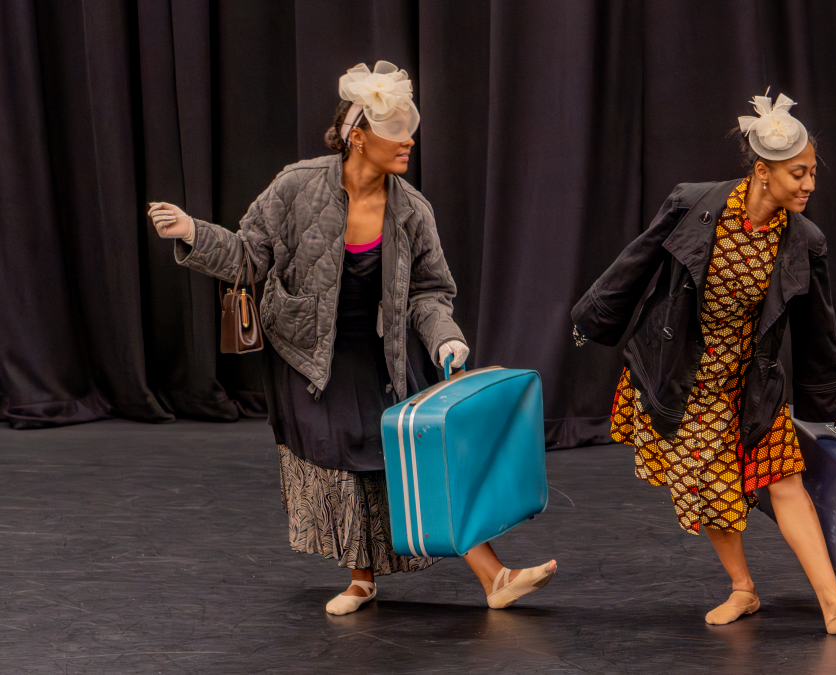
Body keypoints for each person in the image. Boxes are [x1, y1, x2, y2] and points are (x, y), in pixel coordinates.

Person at [148, 61, 555, 616]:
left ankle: (495, 576)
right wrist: (192, 232)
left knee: (411, 456)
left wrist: (445, 340)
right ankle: (362, 579)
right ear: (357, 136)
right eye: (394, 131)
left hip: (383, 353)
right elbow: (248, 255)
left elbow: (430, 293)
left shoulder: (411, 209)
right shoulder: (297, 186)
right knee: (342, 464)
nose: (408, 141)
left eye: (409, 129)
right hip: (309, 355)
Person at [571, 91, 836, 633]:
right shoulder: (696, 205)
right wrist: (595, 316)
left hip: (751, 379)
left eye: (813, 172)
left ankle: (835, 604)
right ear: (764, 173)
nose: (810, 185)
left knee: (784, 478)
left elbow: (821, 333)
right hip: (685, 371)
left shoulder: (804, 241)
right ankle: (743, 590)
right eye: (799, 174)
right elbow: (638, 260)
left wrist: (835, 404)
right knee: (714, 489)